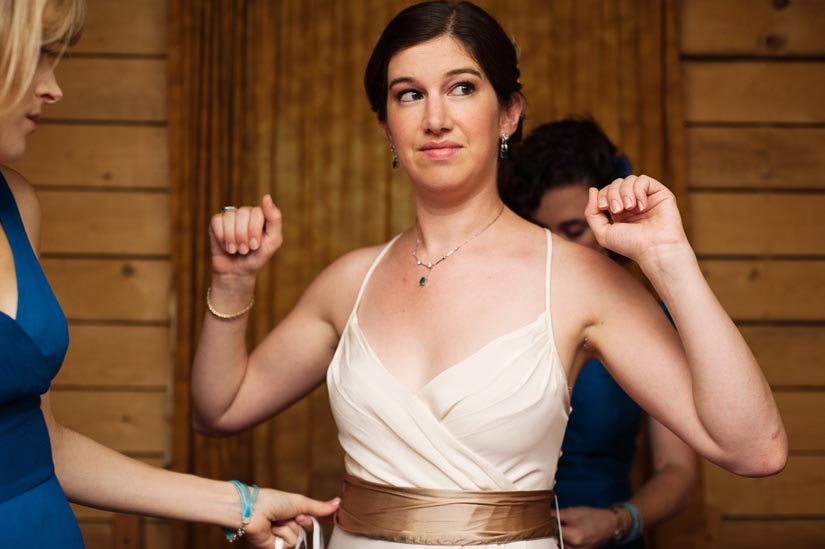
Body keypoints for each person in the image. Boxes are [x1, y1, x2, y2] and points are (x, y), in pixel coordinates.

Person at [191, 2, 787, 548]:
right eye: (408, 94)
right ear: (386, 129)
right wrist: (232, 282)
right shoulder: (350, 280)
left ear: (508, 113)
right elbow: (219, 412)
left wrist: (671, 260)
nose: (436, 117)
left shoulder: (578, 281)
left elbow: (754, 449)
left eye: (462, 87)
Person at [0, 1, 338, 547]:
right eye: (38, 56)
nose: (53, 87)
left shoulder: (17, 205)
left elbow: (43, 444)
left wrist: (239, 502)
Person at [501, 117, 697, 548]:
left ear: (608, 224)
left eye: (573, 231)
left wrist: (619, 520)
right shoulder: (498, 315)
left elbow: (678, 470)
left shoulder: (650, 321)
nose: (558, 249)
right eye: (542, 233)